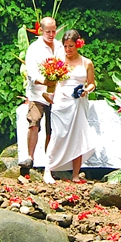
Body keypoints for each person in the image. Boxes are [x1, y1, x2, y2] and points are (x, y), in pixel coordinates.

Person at [43, 29, 95, 183]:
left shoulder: (87, 63)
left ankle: (75, 174)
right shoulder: (58, 61)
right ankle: (48, 169)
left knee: (77, 137)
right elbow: (51, 82)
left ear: (78, 44)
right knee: (57, 135)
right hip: (61, 100)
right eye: (65, 46)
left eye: (71, 46)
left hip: (78, 101)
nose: (68, 50)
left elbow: (92, 83)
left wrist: (86, 90)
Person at [21, 16, 65, 170]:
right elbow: (31, 72)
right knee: (34, 122)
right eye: (48, 32)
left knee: (51, 129)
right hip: (37, 94)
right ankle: (30, 158)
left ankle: (49, 163)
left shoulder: (60, 47)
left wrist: (58, 78)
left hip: (56, 95)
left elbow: (63, 66)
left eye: (53, 31)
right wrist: (45, 81)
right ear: (41, 30)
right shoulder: (34, 48)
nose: (51, 34)